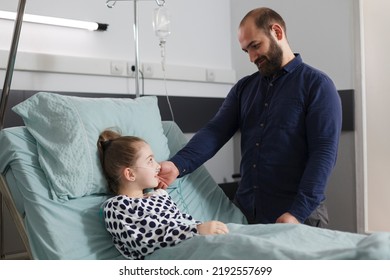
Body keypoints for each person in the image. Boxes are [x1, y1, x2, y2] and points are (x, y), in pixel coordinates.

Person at [158, 7, 342, 227]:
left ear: (277, 32)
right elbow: (215, 132)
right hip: (247, 213)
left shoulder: (317, 85)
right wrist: (178, 165)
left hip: (297, 215)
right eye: (246, 51)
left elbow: (323, 154)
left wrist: (298, 212)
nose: (252, 57)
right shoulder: (244, 88)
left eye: (255, 46)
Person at [97, 129, 229, 260]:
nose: (158, 166)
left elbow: (181, 221)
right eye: (150, 161)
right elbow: (143, 242)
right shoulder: (116, 207)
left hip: (196, 241)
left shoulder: (160, 196)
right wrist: (196, 230)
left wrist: (204, 229)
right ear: (130, 174)